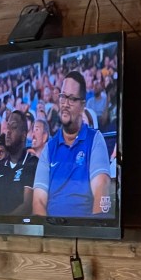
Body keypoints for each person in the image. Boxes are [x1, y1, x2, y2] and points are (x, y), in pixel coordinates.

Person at [32, 71, 112, 218]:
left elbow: (101, 188)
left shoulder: (95, 139)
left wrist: (89, 233)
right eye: (63, 96)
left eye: (72, 99)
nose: (65, 104)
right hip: (52, 232)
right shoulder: (49, 149)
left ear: (82, 106)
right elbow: (38, 201)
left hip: (85, 231)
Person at [0, 110, 38, 216]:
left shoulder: (31, 162)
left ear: (23, 135)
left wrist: (3, 224)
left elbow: (27, 205)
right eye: (8, 127)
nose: (8, 131)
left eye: (14, 127)